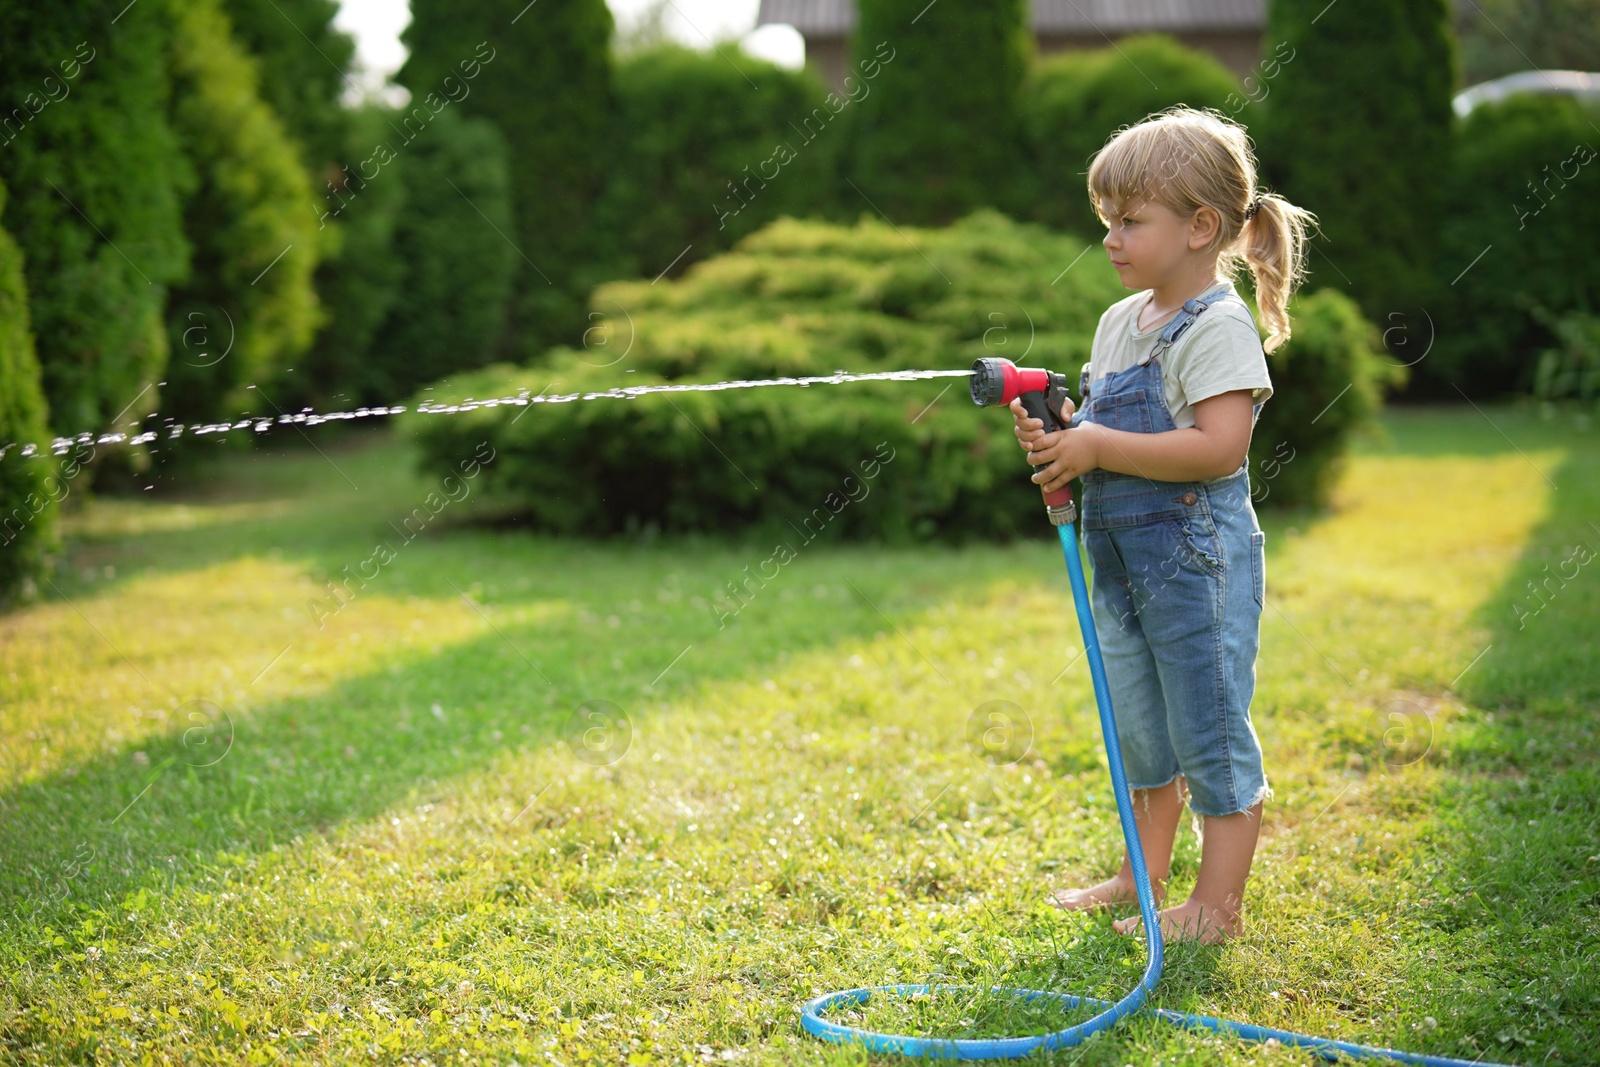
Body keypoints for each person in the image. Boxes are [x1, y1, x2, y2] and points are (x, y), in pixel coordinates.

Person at [1010, 106, 1317, 944]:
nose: (1110, 238)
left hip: (1196, 568)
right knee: (1139, 728)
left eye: (1130, 221)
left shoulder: (1216, 325)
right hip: (1120, 567)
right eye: (1106, 220)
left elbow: (1219, 448)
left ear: (1200, 227)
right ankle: (1138, 876)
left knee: (1208, 730)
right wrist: (1063, 428)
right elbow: (1102, 421)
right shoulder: (1120, 321)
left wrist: (1098, 442)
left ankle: (1214, 910)